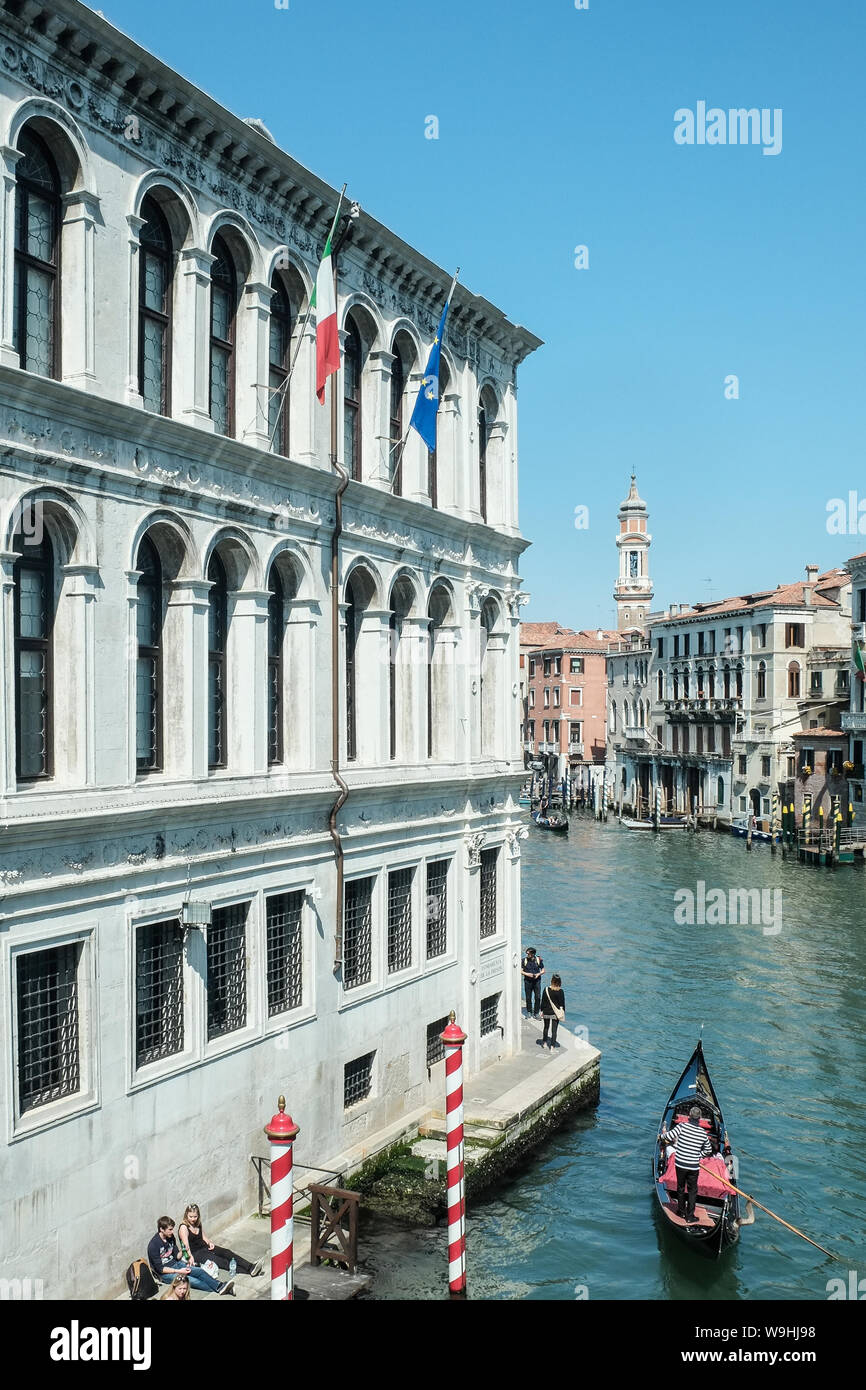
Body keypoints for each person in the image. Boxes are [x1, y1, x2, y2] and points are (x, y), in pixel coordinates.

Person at [147, 1215, 234, 1296]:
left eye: (172, 1229)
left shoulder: (170, 1237)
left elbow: (177, 1256)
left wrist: (183, 1249)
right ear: (162, 1229)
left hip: (176, 1264)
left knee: (199, 1271)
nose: (172, 1232)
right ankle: (222, 1289)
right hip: (165, 1274)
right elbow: (161, 1269)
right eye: (170, 1229)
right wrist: (180, 1271)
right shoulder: (153, 1245)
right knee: (191, 1280)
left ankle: (219, 1286)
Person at [178, 1203, 264, 1277]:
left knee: (227, 1252)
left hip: (205, 1247)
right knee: (222, 1262)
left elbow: (203, 1236)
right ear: (186, 1215)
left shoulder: (197, 1223)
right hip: (197, 1253)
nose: (193, 1219)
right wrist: (190, 1257)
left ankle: (250, 1266)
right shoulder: (184, 1227)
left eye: (195, 1216)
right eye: (191, 1217)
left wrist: (209, 1242)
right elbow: (185, 1246)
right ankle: (249, 1272)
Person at [659, 1107, 713, 1222]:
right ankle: (690, 1216)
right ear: (699, 1118)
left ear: (689, 1116)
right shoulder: (702, 1133)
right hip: (693, 1166)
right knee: (693, 1191)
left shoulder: (681, 1126)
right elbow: (708, 1150)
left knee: (680, 1188)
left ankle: (681, 1211)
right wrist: (699, 1155)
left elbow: (668, 1136)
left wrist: (661, 1136)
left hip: (680, 1164)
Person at [539, 973, 565, 1048]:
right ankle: (552, 1046)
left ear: (552, 981)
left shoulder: (546, 989)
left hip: (546, 1012)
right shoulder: (561, 991)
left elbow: (543, 1002)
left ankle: (544, 1043)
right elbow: (562, 1004)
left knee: (546, 1027)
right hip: (555, 1014)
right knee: (554, 1030)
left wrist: (541, 1010)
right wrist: (562, 1012)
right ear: (560, 982)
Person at [521, 947, 545, 1017]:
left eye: (528, 953)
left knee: (537, 997)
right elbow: (520, 970)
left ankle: (536, 1012)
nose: (527, 954)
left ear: (533, 954)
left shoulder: (538, 960)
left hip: (537, 981)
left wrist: (538, 974)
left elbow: (543, 970)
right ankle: (529, 1011)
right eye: (527, 953)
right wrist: (527, 974)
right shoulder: (524, 960)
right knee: (528, 997)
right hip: (527, 981)